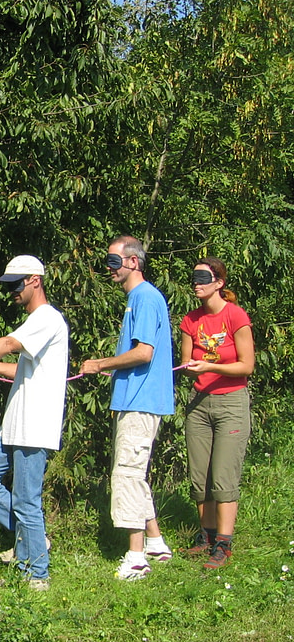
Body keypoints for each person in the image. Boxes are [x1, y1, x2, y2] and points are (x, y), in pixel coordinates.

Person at [0, 255, 69, 590]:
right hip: (14, 423)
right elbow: (19, 368)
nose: (11, 292)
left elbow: (8, 345)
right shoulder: (37, 322)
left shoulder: (47, 318)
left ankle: (37, 574)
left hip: (34, 425)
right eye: (8, 285)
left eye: (16, 284)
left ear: (35, 280)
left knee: (26, 500)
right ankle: (31, 538)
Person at [81, 235, 174, 581]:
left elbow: (144, 352)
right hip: (134, 399)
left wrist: (101, 364)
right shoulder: (137, 299)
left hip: (141, 400)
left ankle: (136, 558)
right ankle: (156, 543)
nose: (110, 270)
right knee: (135, 473)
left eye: (114, 262)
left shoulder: (146, 298)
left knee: (127, 474)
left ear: (133, 262)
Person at [179, 256, 254, 570]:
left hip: (231, 402)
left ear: (219, 283)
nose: (197, 283)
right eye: (194, 278)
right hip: (199, 403)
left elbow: (246, 365)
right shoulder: (190, 320)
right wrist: (189, 369)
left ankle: (224, 543)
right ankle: (206, 537)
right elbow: (186, 363)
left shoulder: (235, 316)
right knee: (200, 477)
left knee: (223, 477)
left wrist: (210, 365)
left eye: (203, 278)